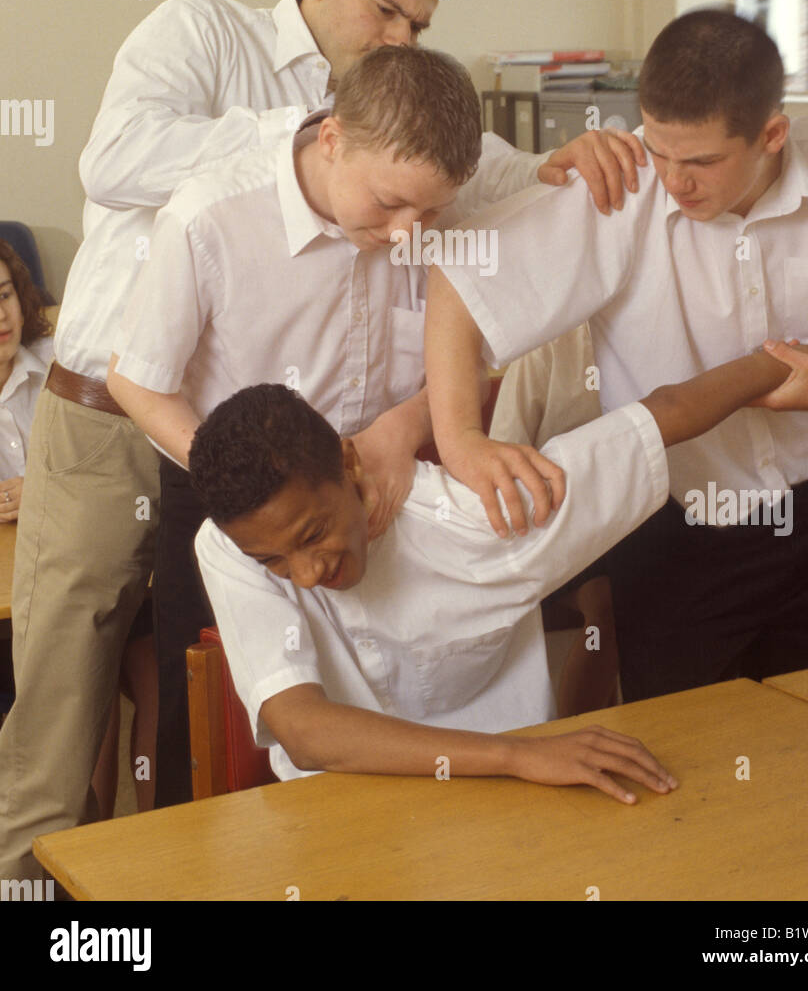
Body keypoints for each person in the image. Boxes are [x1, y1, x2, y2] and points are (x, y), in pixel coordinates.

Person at [0, 0, 466, 878]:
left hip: (240, 462)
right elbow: (114, 160)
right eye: (385, 11)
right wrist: (307, 134)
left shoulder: (381, 128)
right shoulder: (201, 31)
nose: (398, 38)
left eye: (417, 26)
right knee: (55, 722)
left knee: (192, 695)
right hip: (104, 419)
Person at [106, 44, 649, 804]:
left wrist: (401, 426)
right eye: (390, 204)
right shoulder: (210, 216)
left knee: (407, 701)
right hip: (246, 505)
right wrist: (258, 491)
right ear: (331, 139)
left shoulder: (451, 186)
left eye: (428, 212)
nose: (407, 231)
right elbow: (135, 379)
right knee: (212, 727)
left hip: (395, 489)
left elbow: (480, 343)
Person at [424, 8, 808, 702]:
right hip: (673, 531)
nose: (673, 179)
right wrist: (460, 442)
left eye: (700, 161)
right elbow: (457, 280)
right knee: (690, 766)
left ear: (771, 134)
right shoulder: (623, 183)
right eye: (660, 151)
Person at [189, 345, 808, 799]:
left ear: (349, 466)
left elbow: (663, 416)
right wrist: (515, 753)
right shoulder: (226, 545)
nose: (302, 574)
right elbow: (305, 733)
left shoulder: (484, 516)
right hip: (334, 812)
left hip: (514, 804)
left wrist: (793, 363)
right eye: (272, 561)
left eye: (313, 535)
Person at [0, 239, 53, 523]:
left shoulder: (62, 366)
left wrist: (46, 489)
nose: (1, 317)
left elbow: (112, 470)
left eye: (3, 296)